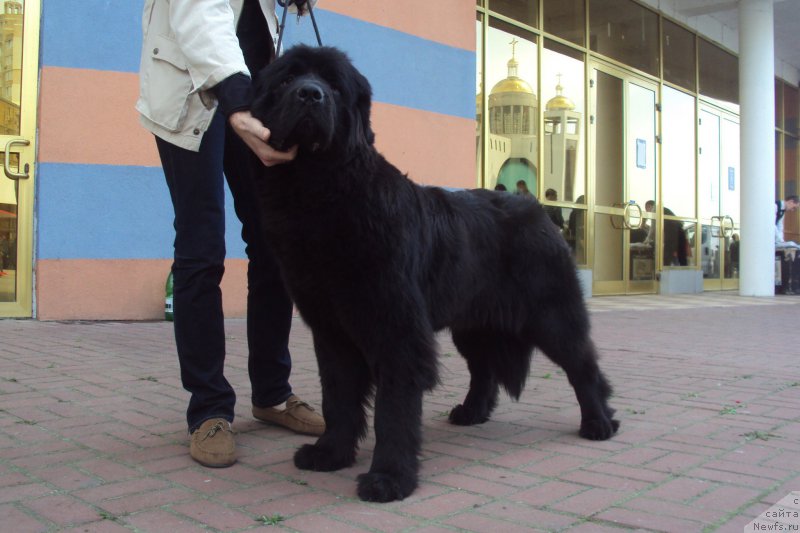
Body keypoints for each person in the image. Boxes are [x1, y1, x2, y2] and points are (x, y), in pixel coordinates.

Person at [136, 0, 324, 469]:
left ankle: (272, 393)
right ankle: (209, 409)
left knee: (273, 243)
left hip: (254, 91)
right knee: (202, 247)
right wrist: (237, 102)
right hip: (193, 87)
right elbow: (201, 14)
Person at [644, 200, 688, 266]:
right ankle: (682, 272)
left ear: (649, 206)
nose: (647, 212)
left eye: (646, 209)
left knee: (666, 258)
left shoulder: (655, 211)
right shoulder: (663, 209)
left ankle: (665, 273)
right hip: (680, 233)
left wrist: (646, 241)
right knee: (678, 258)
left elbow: (653, 229)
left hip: (673, 235)